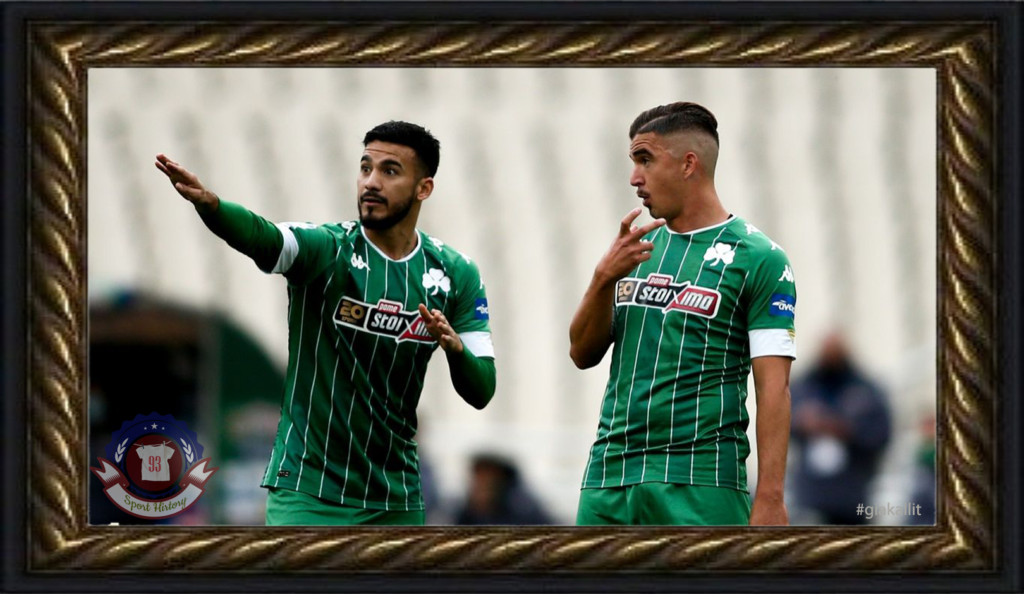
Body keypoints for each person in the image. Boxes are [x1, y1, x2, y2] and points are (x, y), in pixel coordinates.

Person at [155, 121, 496, 526]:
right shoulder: (327, 249)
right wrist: (212, 206)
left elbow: (482, 390)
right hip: (308, 490)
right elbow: (265, 238)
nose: (371, 182)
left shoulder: (455, 273)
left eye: (389, 171)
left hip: (395, 499)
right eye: (365, 168)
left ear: (424, 188)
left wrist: (456, 351)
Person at [569, 102, 796, 526]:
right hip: (608, 477)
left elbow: (774, 388)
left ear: (689, 164)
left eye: (645, 160)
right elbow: (582, 353)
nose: (634, 177)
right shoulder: (632, 252)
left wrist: (770, 497)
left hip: (701, 482)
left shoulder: (759, 258)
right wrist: (602, 278)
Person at [789, 331, 892, 525]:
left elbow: (882, 434)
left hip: (853, 494)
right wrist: (803, 424)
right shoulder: (802, 388)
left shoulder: (867, 391)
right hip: (811, 496)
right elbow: (782, 429)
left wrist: (846, 430)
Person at [454, 453, 553, 525]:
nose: (481, 482)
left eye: (487, 476)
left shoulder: (523, 508)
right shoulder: (466, 508)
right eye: (478, 476)